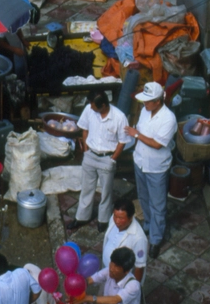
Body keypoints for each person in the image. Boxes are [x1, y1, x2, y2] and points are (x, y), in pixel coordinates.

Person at [125, 82, 177, 258]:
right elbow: (138, 129)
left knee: (158, 205)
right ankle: (148, 225)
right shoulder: (145, 112)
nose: (144, 104)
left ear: (157, 101)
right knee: (143, 197)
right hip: (140, 162)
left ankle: (155, 239)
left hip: (156, 168)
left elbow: (156, 144)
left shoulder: (168, 119)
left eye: (147, 101)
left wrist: (136, 135)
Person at [65, 90, 130, 231]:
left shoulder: (119, 117)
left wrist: (112, 160)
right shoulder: (89, 109)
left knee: (106, 192)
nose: (90, 107)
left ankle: (103, 220)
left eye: (93, 105)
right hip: (90, 155)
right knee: (86, 188)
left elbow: (122, 142)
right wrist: (86, 150)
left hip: (107, 158)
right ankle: (82, 217)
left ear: (104, 106)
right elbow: (85, 129)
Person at [103, 198, 148, 282]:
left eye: (121, 218)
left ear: (130, 217)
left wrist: (133, 288)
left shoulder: (139, 238)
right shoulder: (113, 219)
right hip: (107, 272)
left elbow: (139, 267)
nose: (116, 221)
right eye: (115, 216)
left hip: (121, 280)